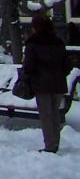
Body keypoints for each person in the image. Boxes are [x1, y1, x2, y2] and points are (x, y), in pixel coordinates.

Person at [22, 13, 69, 153]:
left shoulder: (32, 43)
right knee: (54, 113)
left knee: (46, 115)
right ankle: (55, 143)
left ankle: (49, 144)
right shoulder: (58, 42)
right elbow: (66, 63)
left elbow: (28, 66)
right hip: (58, 82)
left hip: (41, 83)